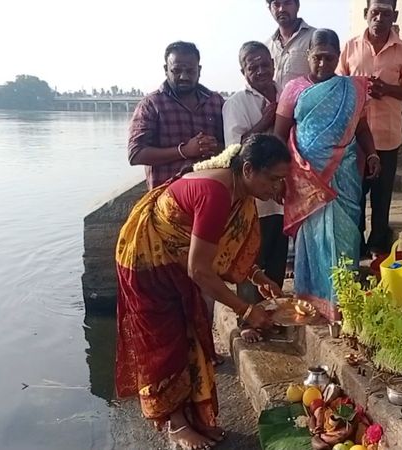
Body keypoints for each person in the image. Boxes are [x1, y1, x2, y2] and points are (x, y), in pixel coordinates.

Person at [115, 134, 290, 450]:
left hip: (177, 260)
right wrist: (247, 310)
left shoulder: (239, 191)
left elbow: (219, 248)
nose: (276, 189)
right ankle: (175, 425)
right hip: (147, 261)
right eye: (273, 179)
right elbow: (200, 270)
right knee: (166, 341)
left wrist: (257, 274)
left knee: (190, 334)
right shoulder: (215, 193)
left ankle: (192, 419)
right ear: (248, 168)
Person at [274, 29, 381, 321]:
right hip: (306, 180)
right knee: (311, 240)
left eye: (329, 58)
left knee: (344, 237)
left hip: (343, 176)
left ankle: (342, 300)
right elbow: (279, 135)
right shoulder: (293, 89)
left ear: (338, 58)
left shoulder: (354, 88)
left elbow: (361, 129)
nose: (323, 64)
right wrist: (279, 176)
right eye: (317, 57)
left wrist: (371, 154)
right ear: (308, 56)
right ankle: (311, 298)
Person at [337, 0, 402, 257]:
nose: (379, 18)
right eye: (375, 13)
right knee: (355, 195)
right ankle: (356, 244)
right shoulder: (350, 47)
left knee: (382, 198)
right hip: (355, 138)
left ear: (394, 15)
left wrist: (386, 89)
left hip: (387, 136)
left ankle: (377, 244)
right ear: (365, 14)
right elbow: (338, 83)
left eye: (385, 13)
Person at [222, 42, 286, 343]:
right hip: (254, 200)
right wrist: (269, 118)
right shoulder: (235, 104)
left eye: (264, 64)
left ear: (272, 63)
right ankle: (246, 320)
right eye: (252, 66)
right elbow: (237, 149)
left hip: (281, 195)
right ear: (243, 71)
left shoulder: (287, 92)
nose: (260, 71)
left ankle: (271, 316)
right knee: (248, 258)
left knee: (275, 258)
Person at [128, 41, 225, 189]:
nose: (184, 77)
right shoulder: (151, 105)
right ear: (166, 69)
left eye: (190, 71)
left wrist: (212, 147)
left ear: (199, 70)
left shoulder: (216, 102)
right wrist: (184, 151)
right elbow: (135, 154)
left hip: (209, 197)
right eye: (177, 70)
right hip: (167, 201)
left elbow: (232, 144)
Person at [265, 0, 315, 88]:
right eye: (276, 4)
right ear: (270, 8)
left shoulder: (315, 38)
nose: (281, 9)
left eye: (287, 3)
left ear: (297, 6)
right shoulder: (267, 47)